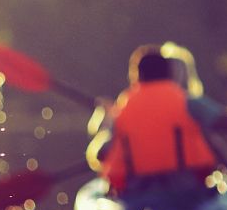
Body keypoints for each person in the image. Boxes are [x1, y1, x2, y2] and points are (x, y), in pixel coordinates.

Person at [84, 46, 220, 195]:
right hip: (187, 195)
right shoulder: (190, 104)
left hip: (137, 198)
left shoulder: (123, 108)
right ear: (169, 73)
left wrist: (109, 120)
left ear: (136, 76)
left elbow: (100, 154)